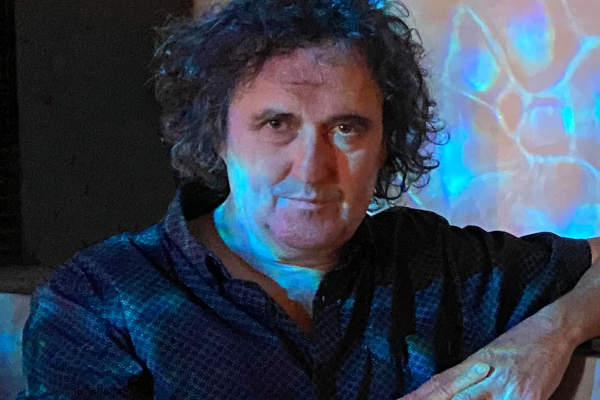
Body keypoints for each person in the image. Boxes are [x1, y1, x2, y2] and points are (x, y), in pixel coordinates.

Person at [18, 0, 600, 399]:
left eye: (347, 128)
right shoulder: (100, 301)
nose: (313, 167)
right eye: (277, 124)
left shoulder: (434, 262)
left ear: (384, 144)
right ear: (217, 136)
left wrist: (546, 338)